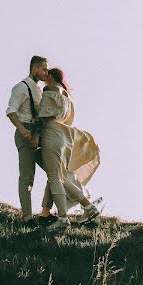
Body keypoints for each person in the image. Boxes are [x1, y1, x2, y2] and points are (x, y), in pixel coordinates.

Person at [38, 67, 100, 234]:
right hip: (65, 137)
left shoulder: (49, 90)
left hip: (51, 133)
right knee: (59, 175)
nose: (44, 79)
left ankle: (65, 218)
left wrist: (33, 134)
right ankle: (48, 212)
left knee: (56, 176)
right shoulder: (67, 97)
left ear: (50, 77)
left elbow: (43, 117)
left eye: (45, 76)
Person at [6, 55, 48, 224]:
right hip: (25, 132)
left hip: (39, 134)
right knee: (27, 177)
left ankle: (47, 212)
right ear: (35, 68)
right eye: (44, 69)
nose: (46, 72)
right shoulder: (21, 87)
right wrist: (23, 130)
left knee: (54, 172)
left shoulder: (39, 90)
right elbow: (11, 111)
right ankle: (27, 217)